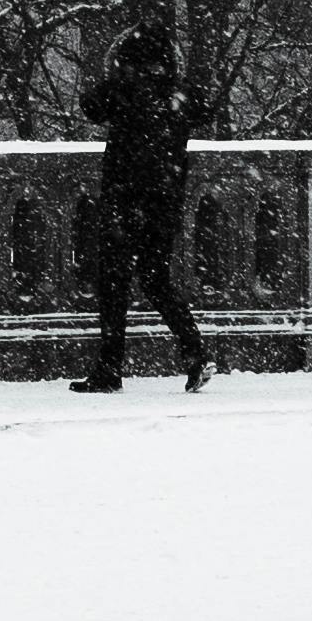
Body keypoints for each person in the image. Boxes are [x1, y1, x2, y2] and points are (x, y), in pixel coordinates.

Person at [76, 27, 214, 392]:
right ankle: (195, 352)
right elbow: (204, 107)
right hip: (164, 202)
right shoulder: (181, 95)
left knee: (113, 281)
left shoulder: (122, 92)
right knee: (156, 279)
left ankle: (109, 368)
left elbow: (90, 104)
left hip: (124, 200)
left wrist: (124, 79)